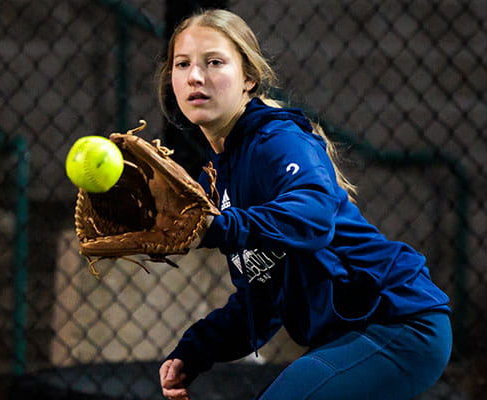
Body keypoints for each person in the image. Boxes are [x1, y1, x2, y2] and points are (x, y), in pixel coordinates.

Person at [156, 8, 452, 400]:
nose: (196, 76)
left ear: (249, 78)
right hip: (354, 335)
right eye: (183, 64)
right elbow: (261, 299)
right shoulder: (219, 175)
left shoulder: (275, 139)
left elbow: (313, 214)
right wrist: (194, 352)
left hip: (398, 324)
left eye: (214, 62)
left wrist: (218, 227)